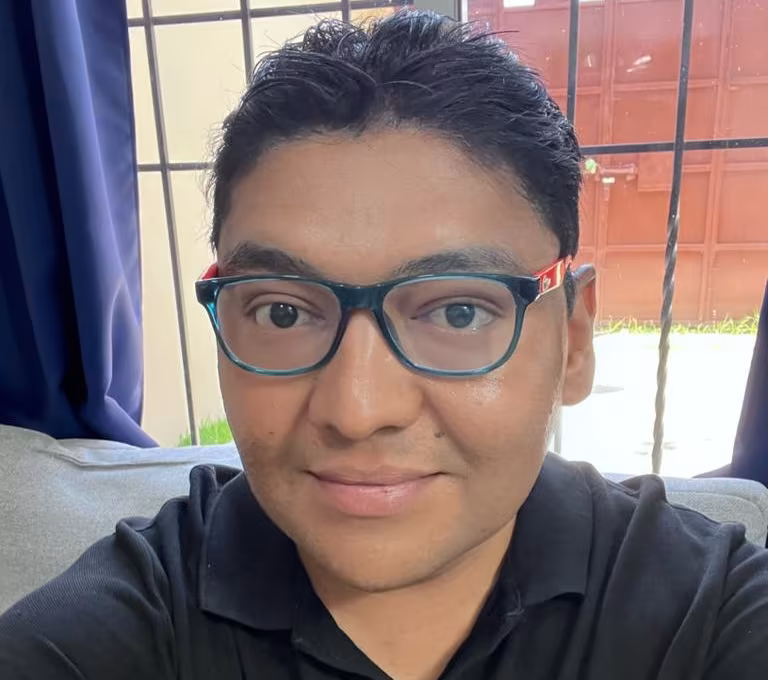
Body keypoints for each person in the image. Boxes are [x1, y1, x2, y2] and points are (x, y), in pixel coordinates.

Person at [1, 10, 767, 680]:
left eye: (458, 312)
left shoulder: (707, 613)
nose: (357, 411)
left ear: (572, 339)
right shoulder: (121, 626)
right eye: (282, 312)